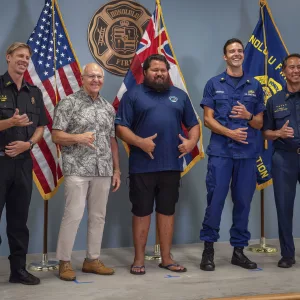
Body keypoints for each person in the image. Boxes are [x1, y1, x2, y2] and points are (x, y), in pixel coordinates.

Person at [115, 54, 200, 275]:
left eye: (163, 70)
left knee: (167, 211)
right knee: (141, 212)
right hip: (142, 166)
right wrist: (140, 142)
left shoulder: (179, 96)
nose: (160, 73)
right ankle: (139, 259)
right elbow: (120, 128)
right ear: (145, 72)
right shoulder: (133, 95)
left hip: (171, 165)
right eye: (155, 70)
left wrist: (191, 142)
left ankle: (167, 258)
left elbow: (194, 125)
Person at [199, 38, 265, 271]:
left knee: (243, 204)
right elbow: (207, 120)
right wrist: (230, 132)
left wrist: (248, 115)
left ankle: (239, 251)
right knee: (215, 202)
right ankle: (208, 251)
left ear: (243, 55)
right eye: (231, 51)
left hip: (246, 155)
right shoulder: (214, 83)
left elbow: (259, 123)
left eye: (239, 51)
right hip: (221, 154)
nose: (236, 54)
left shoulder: (254, 86)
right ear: (224, 56)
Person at [52, 63, 121, 281]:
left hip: (103, 169)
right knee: (73, 214)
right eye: (91, 76)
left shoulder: (108, 107)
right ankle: (64, 262)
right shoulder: (68, 103)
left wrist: (117, 169)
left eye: (99, 76)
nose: (95, 80)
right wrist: (77, 138)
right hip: (77, 168)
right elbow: (55, 135)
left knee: (98, 217)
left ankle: (92, 259)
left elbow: (112, 140)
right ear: (82, 78)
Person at [0, 42, 48, 285]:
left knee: (19, 222)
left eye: (27, 57)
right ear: (8, 57)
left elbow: (40, 127)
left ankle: (18, 271)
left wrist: (28, 144)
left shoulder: (34, 92)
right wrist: (10, 123)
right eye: (19, 56)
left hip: (23, 163)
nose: (23, 60)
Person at [263, 54, 300, 268]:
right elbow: (266, 132)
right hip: (284, 159)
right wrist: (279, 133)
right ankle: (287, 254)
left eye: (299, 67)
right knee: (284, 207)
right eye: (292, 67)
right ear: (284, 71)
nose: (296, 71)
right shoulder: (274, 101)